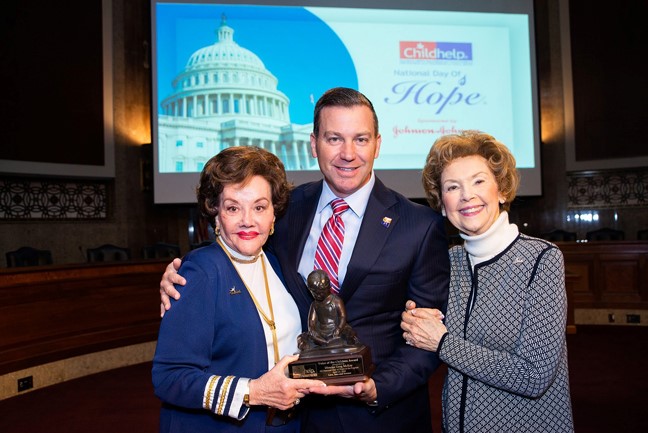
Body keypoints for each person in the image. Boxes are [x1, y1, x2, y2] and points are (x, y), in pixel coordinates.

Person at [159, 87, 450, 433]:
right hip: (294, 416)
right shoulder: (282, 209)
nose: (347, 154)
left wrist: (377, 387)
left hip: (380, 417)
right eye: (333, 139)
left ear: (377, 144)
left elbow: (426, 339)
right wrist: (186, 274)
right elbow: (235, 251)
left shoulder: (419, 225)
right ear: (313, 144)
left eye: (360, 139)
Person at [400, 130, 574, 432]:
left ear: (502, 189)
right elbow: (421, 330)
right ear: (442, 203)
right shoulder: (446, 263)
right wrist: (413, 321)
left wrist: (442, 343)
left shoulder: (542, 259)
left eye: (479, 181)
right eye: (453, 187)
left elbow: (533, 375)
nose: (467, 195)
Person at [151, 146, 326, 433]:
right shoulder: (202, 272)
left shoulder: (278, 263)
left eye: (259, 207)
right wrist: (253, 391)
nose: (248, 220)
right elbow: (168, 377)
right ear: (216, 214)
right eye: (233, 207)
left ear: (273, 214)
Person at [297, 269, 359, 352]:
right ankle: (321, 344)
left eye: (321, 292)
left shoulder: (336, 301)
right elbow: (311, 320)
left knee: (349, 333)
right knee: (302, 337)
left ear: (329, 287)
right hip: (321, 331)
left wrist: (339, 328)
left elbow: (342, 316)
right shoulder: (315, 304)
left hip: (336, 329)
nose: (318, 295)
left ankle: (341, 342)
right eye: (315, 293)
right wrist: (312, 330)